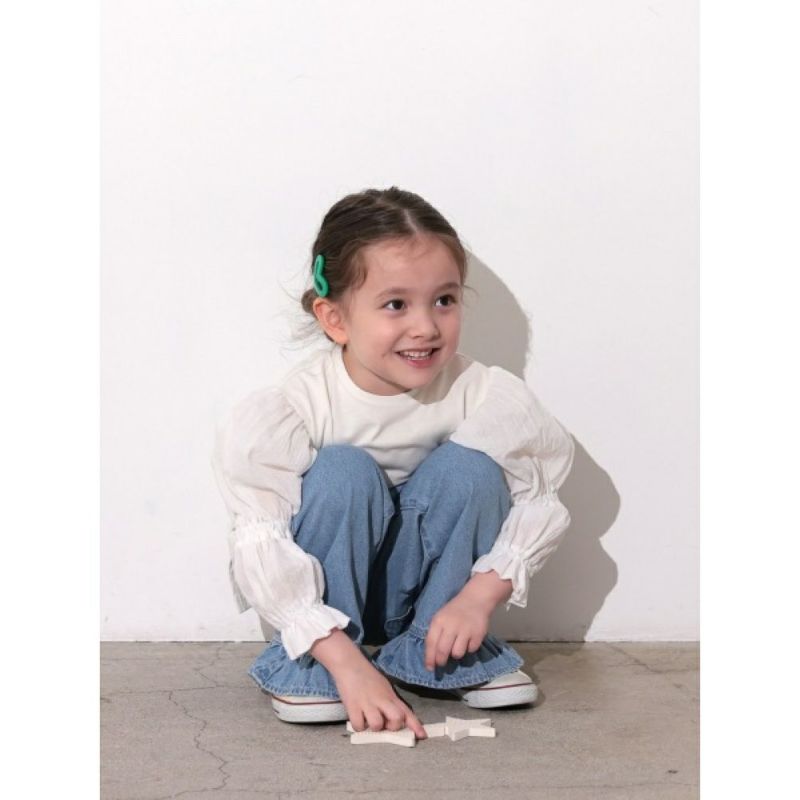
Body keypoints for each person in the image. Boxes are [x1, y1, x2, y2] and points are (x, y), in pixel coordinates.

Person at [211, 187, 575, 738]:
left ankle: (438, 648)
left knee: (472, 470)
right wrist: (345, 662)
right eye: (395, 305)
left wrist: (477, 599)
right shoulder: (297, 407)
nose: (425, 327)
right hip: (324, 606)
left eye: (444, 300)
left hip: (430, 596)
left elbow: (538, 502)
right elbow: (261, 539)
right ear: (335, 319)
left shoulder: (482, 394)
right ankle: (317, 664)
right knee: (342, 472)